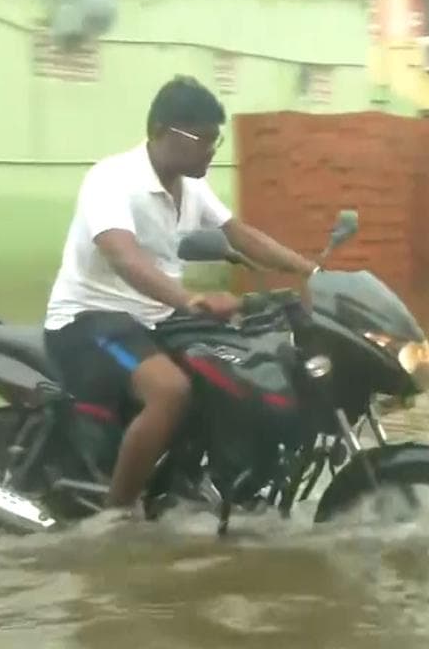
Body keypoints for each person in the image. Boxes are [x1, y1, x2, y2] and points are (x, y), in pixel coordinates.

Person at [43, 75, 318, 517]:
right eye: (202, 139)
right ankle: (116, 516)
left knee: (242, 363)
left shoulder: (191, 187)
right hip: (91, 319)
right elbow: (123, 256)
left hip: (155, 319)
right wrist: (188, 299)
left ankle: (204, 479)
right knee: (170, 391)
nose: (211, 149)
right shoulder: (112, 179)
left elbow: (240, 234)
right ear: (162, 131)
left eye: (215, 139)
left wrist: (311, 271)